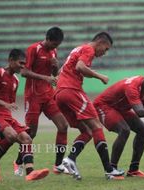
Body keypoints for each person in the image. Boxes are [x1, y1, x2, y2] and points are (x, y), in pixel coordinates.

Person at [54, 31, 124, 180]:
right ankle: (109, 169)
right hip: (71, 90)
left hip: (60, 94)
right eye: (106, 49)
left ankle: (70, 159)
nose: (104, 53)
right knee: (97, 125)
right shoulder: (89, 49)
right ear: (101, 42)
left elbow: (62, 71)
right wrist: (100, 77)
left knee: (87, 131)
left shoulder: (77, 49)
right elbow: (80, 67)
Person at [0, 49, 49, 181]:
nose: (23, 66)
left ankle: (30, 172)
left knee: (27, 138)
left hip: (6, 116)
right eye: (20, 63)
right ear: (11, 60)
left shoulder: (16, 80)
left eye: (24, 64)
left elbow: (10, 101)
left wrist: (8, 105)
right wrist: (5, 104)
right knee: (12, 136)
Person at [14, 26, 69, 176]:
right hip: (33, 96)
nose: (55, 47)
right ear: (48, 39)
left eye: (57, 46)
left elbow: (53, 74)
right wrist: (45, 77)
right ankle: (19, 162)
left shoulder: (53, 51)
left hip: (48, 95)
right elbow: (24, 72)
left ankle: (58, 165)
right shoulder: (33, 49)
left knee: (63, 126)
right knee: (31, 134)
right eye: (54, 44)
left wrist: (55, 67)